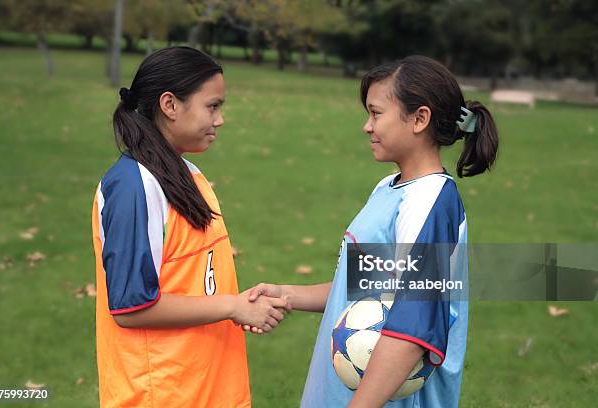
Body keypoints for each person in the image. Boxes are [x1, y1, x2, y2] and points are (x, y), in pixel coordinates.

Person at [244, 55, 499, 407]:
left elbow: (413, 329)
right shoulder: (389, 188)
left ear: (420, 118)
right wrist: (286, 294)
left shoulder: (429, 202)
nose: (367, 126)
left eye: (376, 113)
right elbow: (365, 286)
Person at [91, 46, 289, 408]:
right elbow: (131, 309)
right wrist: (233, 307)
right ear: (170, 105)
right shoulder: (134, 186)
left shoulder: (188, 174)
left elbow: (197, 281)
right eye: (212, 106)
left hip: (211, 389)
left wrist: (240, 302)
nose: (220, 119)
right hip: (163, 396)